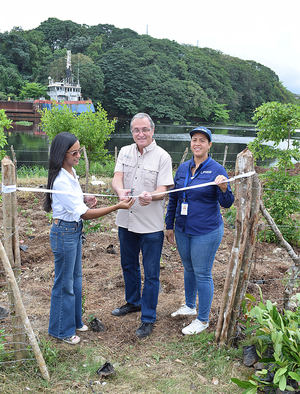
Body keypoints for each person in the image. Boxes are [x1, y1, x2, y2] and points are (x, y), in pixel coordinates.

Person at [44, 132, 134, 345]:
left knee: (75, 280)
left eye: (79, 151)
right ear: (62, 154)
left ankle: (74, 321)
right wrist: (116, 207)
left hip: (73, 231)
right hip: (64, 232)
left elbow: (76, 205)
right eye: (74, 152)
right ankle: (60, 330)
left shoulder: (71, 172)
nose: (78, 155)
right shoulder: (60, 180)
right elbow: (83, 213)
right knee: (64, 283)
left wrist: (84, 197)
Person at [165, 126, 234, 335]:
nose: (197, 143)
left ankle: (202, 319)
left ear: (209, 144)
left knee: (202, 273)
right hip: (183, 228)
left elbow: (228, 203)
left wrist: (223, 188)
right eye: (194, 139)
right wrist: (169, 225)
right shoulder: (184, 168)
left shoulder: (217, 169)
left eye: (202, 140)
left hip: (206, 230)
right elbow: (174, 198)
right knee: (189, 268)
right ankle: (189, 305)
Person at [111, 113, 173, 338]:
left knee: (152, 272)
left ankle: (148, 317)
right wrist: (119, 191)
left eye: (144, 129)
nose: (141, 134)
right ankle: (133, 302)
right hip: (126, 220)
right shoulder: (125, 152)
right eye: (136, 130)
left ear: (152, 130)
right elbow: (117, 177)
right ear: (132, 132)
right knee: (128, 264)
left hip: (151, 226)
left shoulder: (162, 157)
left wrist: (152, 196)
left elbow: (164, 189)